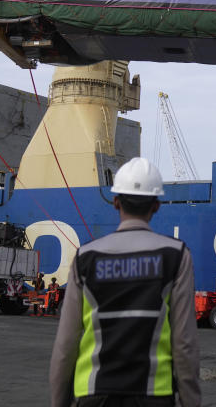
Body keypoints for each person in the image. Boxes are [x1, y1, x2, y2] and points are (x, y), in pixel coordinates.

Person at [50, 157, 201, 406]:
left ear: (116, 202)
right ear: (156, 205)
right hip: (153, 395)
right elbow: (184, 344)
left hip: (93, 394)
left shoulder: (86, 258)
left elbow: (66, 345)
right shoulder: (175, 255)